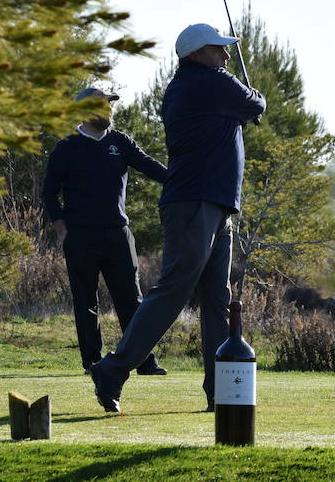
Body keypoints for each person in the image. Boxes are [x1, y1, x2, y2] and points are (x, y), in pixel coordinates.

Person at [90, 23, 266, 412]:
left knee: (218, 299)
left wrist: (240, 110)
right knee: (174, 290)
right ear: (195, 54)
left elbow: (238, 109)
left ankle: (220, 392)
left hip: (216, 205)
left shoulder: (198, 86)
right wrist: (251, 101)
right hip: (194, 202)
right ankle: (112, 371)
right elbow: (256, 104)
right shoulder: (209, 82)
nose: (225, 55)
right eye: (217, 48)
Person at [42, 88, 168, 376]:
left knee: (132, 299)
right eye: (102, 105)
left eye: (110, 105)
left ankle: (143, 361)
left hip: (118, 234)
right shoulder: (66, 147)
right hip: (81, 237)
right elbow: (49, 192)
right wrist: (61, 227)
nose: (109, 110)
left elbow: (151, 167)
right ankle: (93, 362)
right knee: (86, 302)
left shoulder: (120, 142)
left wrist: (183, 178)